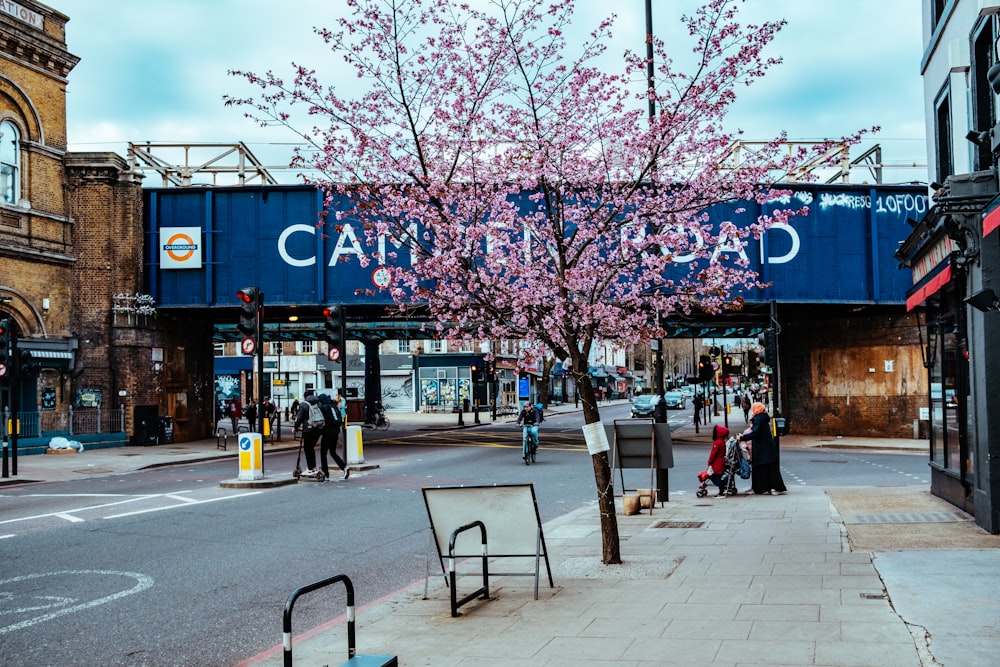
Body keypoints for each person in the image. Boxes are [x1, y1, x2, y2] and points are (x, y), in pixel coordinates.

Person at [738, 401, 787, 495]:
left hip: (762, 449)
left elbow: (755, 433)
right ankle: (772, 487)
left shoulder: (758, 419)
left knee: (760, 469)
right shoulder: (763, 418)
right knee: (770, 469)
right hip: (767, 448)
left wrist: (742, 437)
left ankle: (761, 488)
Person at [317, 393, 350, 480]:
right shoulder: (333, 406)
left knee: (323, 453)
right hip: (335, 432)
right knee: (332, 452)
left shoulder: (323, 407)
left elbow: (321, 420)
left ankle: (326, 474)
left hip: (327, 433)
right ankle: (344, 467)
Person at [293, 390, 324, 478]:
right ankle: (313, 467)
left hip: (309, 430)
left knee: (307, 448)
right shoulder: (319, 403)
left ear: (305, 396)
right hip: (318, 429)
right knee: (311, 448)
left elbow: (299, 418)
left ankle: (311, 468)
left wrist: (295, 427)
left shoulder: (304, 404)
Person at [708, 425, 729, 497]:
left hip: (717, 462)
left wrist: (710, 462)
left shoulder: (717, 443)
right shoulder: (722, 442)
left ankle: (721, 491)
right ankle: (722, 488)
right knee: (718, 476)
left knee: (713, 476)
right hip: (721, 461)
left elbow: (713, 454)